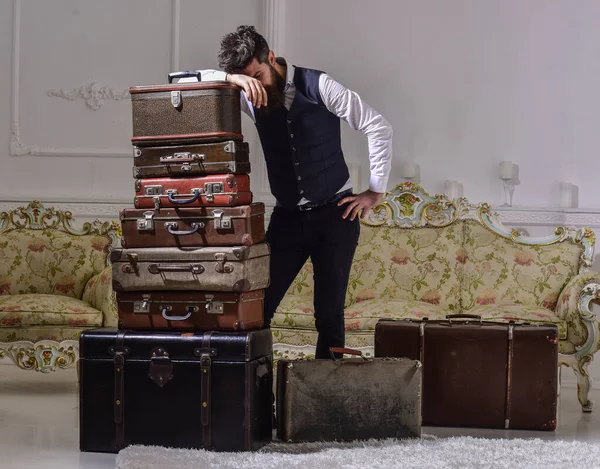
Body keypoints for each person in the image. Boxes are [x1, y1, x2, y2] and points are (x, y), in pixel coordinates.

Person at [197, 25, 393, 359]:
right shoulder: (247, 91)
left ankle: (323, 401)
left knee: (329, 315)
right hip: (287, 219)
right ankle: (253, 397)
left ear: (271, 58)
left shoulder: (320, 85)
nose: (256, 86)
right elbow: (183, 80)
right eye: (248, 80)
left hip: (336, 215)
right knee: (257, 306)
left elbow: (377, 126)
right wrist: (232, 81)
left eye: (258, 74)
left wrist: (376, 191)